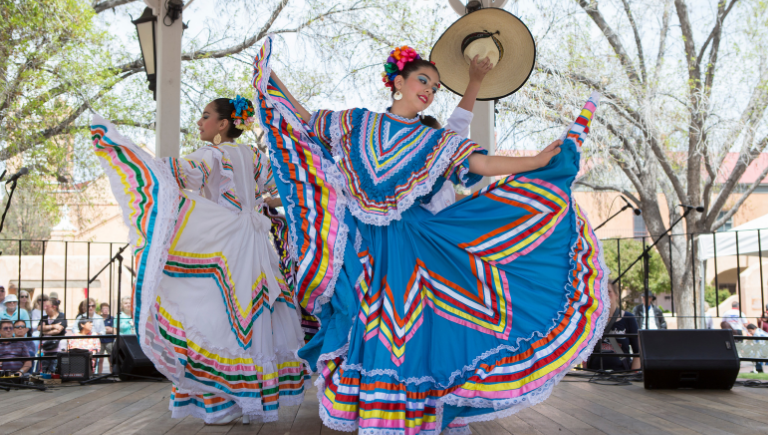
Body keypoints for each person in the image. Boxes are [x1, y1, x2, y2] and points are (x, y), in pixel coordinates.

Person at [253, 23, 608, 433]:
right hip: (364, 247)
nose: (430, 90)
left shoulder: (432, 140)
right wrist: (268, 77)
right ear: (397, 82)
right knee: (369, 322)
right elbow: (301, 118)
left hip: (411, 244)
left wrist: (535, 163)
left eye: (436, 87)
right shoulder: (354, 123)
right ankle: (381, 416)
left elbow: (481, 164)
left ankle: (412, 415)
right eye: (424, 80)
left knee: (406, 330)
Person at [91, 95, 308, 425]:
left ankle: (221, 403)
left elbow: (173, 174)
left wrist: (129, 153)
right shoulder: (254, 155)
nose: (199, 122)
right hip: (255, 241)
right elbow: (276, 188)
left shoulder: (210, 154)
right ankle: (248, 399)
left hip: (226, 242)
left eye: (205, 116)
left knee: (215, 318)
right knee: (251, 317)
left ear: (223, 124)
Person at [587, 283, 641, 371]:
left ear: (616, 295)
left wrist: (634, 374)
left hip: (621, 374)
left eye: (608, 291)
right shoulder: (593, 318)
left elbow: (637, 352)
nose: (605, 294)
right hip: (594, 373)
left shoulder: (628, 318)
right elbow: (585, 348)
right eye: (602, 292)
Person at [38, 297, 67, 373]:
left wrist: (45, 331)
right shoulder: (44, 317)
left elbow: (58, 330)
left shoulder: (61, 316)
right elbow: (39, 328)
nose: (45, 308)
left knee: (54, 367)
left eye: (47, 307)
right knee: (45, 367)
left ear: (54, 307)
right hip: (45, 347)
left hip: (57, 347)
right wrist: (53, 326)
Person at [98, 302, 115, 373]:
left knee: (110, 359)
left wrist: (104, 330)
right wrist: (106, 329)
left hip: (109, 341)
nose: (105, 310)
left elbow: (113, 330)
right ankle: (99, 374)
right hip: (100, 341)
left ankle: (112, 373)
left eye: (107, 308)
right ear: (101, 310)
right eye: (104, 308)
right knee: (100, 359)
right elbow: (98, 330)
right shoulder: (98, 318)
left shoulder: (111, 318)